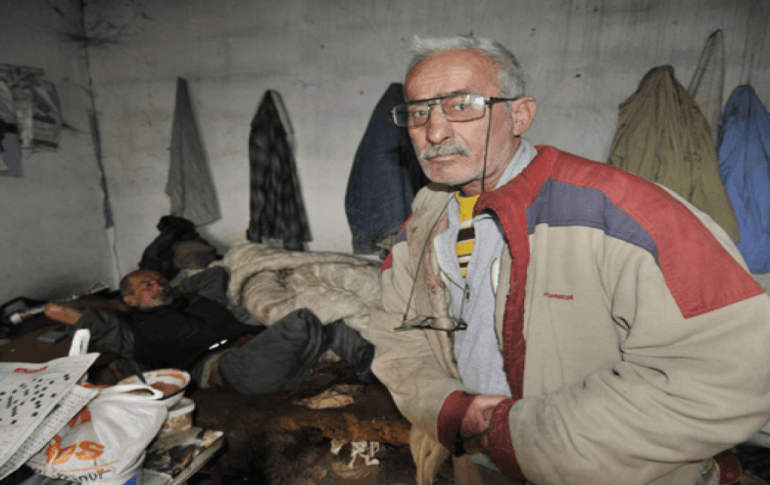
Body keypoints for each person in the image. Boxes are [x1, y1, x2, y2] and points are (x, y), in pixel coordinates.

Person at [367, 35, 770, 485]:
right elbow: (397, 338)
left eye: (462, 106)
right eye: (419, 112)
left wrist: (527, 437)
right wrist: (451, 411)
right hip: (476, 464)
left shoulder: (624, 213)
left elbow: (737, 372)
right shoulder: (424, 223)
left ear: (520, 115)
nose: (434, 132)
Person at [45, 266, 375, 394]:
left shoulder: (197, 299)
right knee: (303, 320)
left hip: (257, 342)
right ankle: (302, 369)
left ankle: (370, 377)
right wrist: (118, 306)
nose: (157, 284)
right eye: (147, 285)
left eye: (159, 280)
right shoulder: (130, 329)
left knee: (335, 322)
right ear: (129, 299)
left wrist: (173, 291)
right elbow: (56, 311)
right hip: (226, 367)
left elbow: (214, 274)